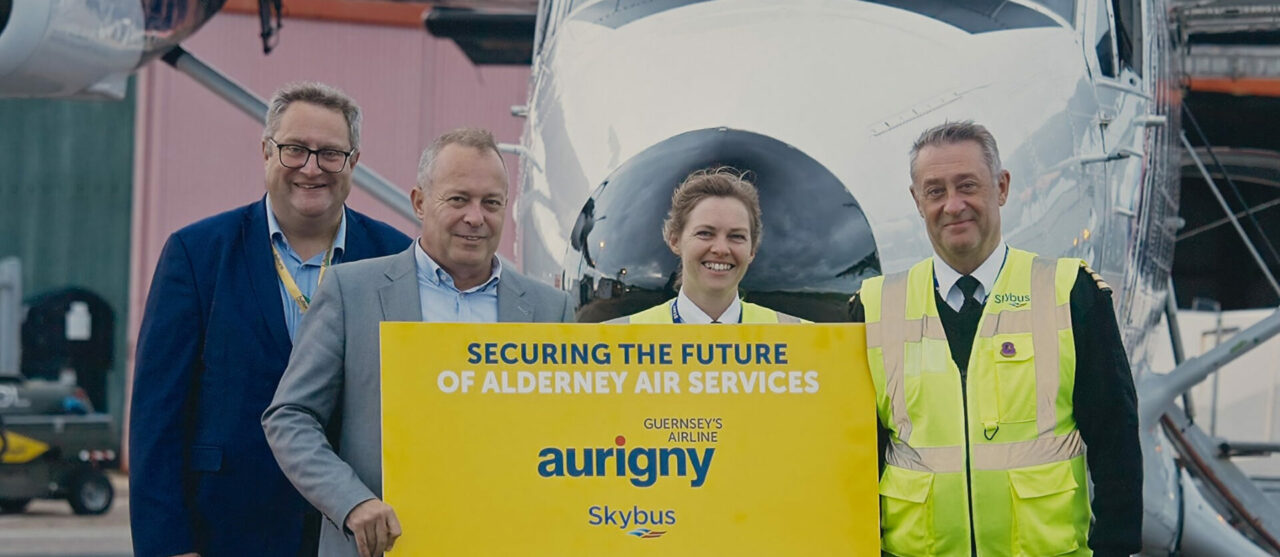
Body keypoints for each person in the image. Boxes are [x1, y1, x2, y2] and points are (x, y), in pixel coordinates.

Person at [129, 82, 411, 557]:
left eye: (330, 154)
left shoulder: (396, 257)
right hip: (226, 529)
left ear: (354, 163)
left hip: (355, 534)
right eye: (295, 149)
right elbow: (158, 417)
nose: (311, 167)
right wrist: (168, 545)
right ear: (265, 151)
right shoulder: (198, 255)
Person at [262, 128, 574, 557]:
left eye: (492, 203)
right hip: (380, 547)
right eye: (458, 199)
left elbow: (569, 436)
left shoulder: (549, 309)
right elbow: (290, 417)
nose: (475, 217)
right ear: (420, 202)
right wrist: (352, 501)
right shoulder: (351, 292)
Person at [848, 121, 1141, 557]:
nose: (952, 205)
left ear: (1001, 187)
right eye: (935, 191)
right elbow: (854, 455)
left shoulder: (1069, 293)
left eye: (967, 185)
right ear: (916, 200)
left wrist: (1115, 548)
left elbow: (1115, 441)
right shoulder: (871, 309)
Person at [613, 167, 802, 324]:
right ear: (674, 240)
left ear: (752, 250)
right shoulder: (616, 341)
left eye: (736, 236)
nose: (720, 249)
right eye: (705, 233)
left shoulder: (803, 340)